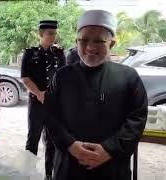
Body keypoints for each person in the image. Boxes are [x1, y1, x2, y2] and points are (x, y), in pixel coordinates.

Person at [44, 10, 148, 180]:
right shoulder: (63, 76)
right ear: (76, 42)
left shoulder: (128, 77)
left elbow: (137, 119)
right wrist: (71, 145)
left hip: (112, 166)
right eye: (83, 40)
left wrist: (109, 149)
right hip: (69, 165)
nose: (90, 47)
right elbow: (50, 115)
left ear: (111, 44)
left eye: (99, 41)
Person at [21, 20, 66, 179]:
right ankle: (28, 173)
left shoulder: (59, 53)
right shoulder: (30, 53)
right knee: (32, 139)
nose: (53, 36)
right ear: (40, 34)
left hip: (53, 104)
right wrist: (39, 93)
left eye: (55, 33)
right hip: (36, 103)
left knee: (52, 141)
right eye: (50, 33)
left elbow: (63, 77)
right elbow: (25, 78)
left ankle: (49, 174)